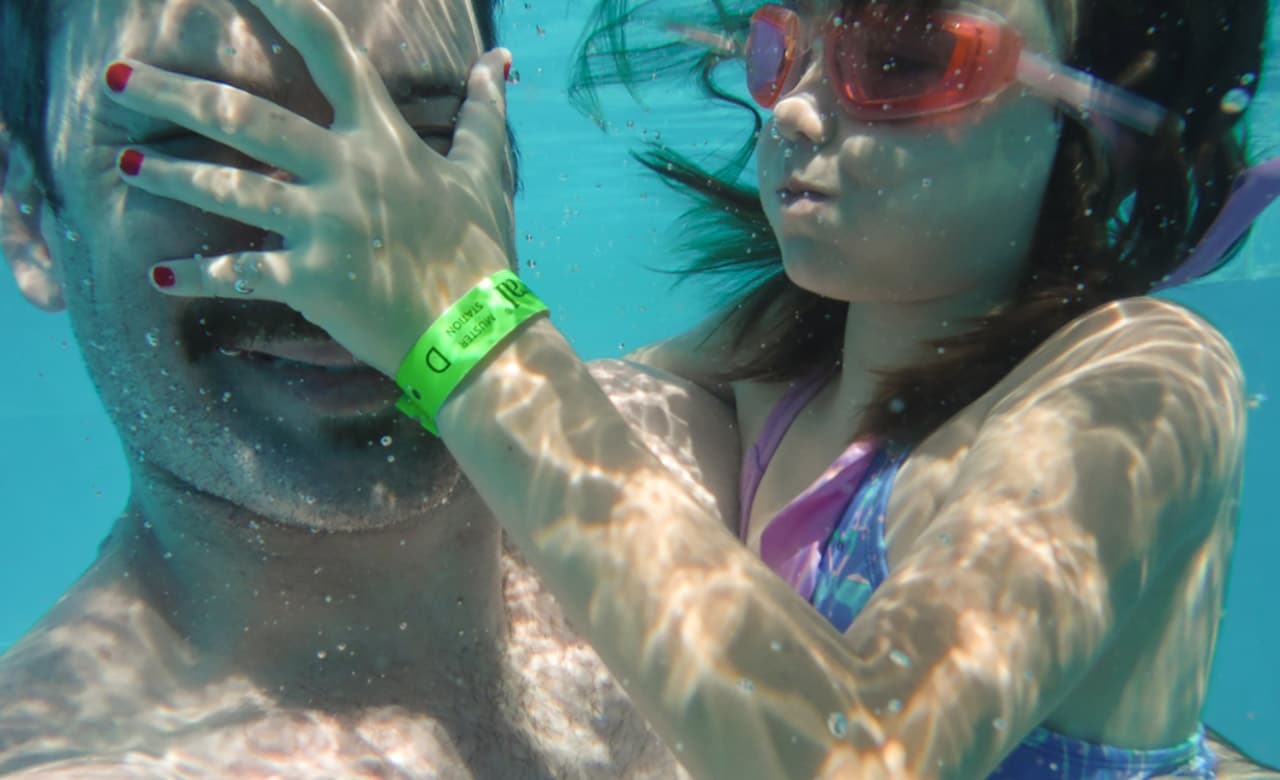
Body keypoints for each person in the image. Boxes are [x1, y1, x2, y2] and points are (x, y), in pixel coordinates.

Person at [100, 0, 1280, 777]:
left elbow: (867, 755)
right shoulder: (787, 349)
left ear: (1094, 101)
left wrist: (457, 317)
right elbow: (555, 424)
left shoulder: (1145, 377)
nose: (800, 109)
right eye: (785, 50)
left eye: (904, 57)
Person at [0, 0, 743, 776]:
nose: (344, 252)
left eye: (417, 137)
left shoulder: (711, 446)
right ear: (29, 218)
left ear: (505, 164)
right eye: (202, 144)